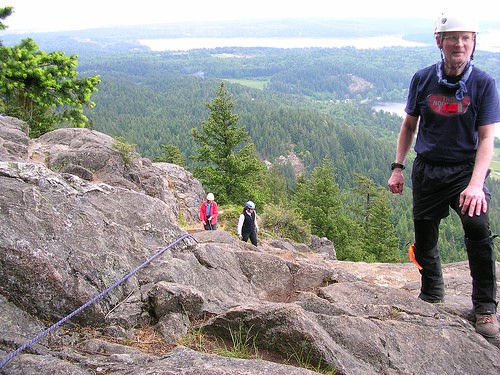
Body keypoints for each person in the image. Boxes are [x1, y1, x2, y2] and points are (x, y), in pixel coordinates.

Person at [388, 12, 499, 338]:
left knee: (478, 229)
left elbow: (488, 138)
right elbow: (409, 126)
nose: (460, 44)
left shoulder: (483, 84)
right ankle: (433, 292)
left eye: (467, 38)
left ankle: (485, 308)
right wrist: (398, 167)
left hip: (466, 170)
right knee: (424, 237)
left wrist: (476, 185)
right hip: (428, 169)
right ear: (440, 41)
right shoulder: (423, 79)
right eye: (453, 38)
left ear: (474, 42)